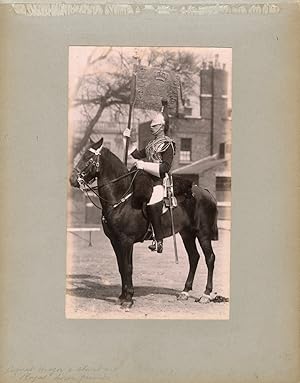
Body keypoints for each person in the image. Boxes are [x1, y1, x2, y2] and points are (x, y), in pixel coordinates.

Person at [123, 109, 175, 253]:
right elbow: (137, 155)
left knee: (152, 204)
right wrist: (129, 140)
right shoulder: (151, 144)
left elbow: (165, 168)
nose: (151, 127)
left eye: (154, 125)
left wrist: (143, 165)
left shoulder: (168, 144)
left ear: (161, 127)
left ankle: (158, 239)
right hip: (146, 179)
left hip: (159, 181)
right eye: (152, 125)